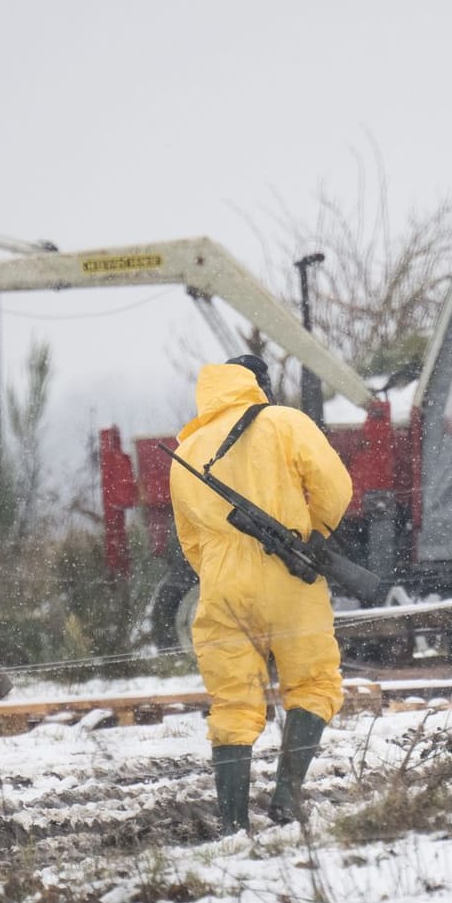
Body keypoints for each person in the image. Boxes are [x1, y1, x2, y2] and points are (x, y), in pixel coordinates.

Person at [170, 354, 354, 833]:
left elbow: (189, 540)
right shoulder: (284, 422)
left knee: (233, 702)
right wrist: (314, 536)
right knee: (313, 684)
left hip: (221, 588)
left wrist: (222, 573)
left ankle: (232, 823)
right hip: (289, 577)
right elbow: (335, 488)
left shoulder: (187, 450)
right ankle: (286, 801)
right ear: (260, 386)